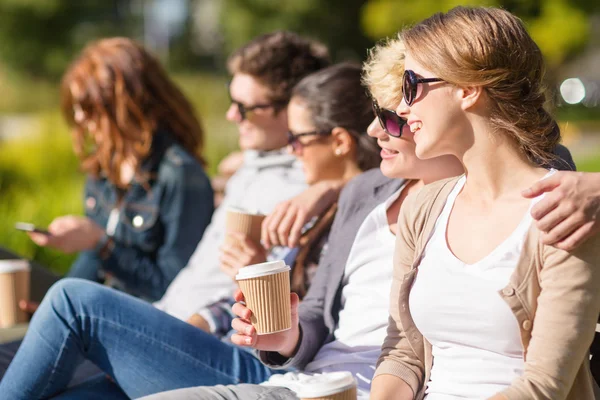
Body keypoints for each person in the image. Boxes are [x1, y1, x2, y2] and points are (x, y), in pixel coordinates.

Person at [0, 61, 382, 399]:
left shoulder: (345, 212)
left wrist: (256, 277)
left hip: (261, 366)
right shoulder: (309, 206)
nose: (290, 149)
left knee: (70, 302)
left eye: (296, 139)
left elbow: (310, 320)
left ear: (339, 143)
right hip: (211, 339)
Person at [368, 7, 600, 400]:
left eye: (411, 85)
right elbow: (403, 354)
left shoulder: (562, 213)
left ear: (468, 88)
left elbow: (543, 387)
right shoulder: (423, 208)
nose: (403, 110)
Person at [153, 31, 332, 322]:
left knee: (73, 300)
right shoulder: (254, 162)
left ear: (293, 110)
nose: (231, 116)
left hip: (201, 332)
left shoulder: (302, 191)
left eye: (245, 108)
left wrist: (329, 187)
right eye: (231, 98)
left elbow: (276, 312)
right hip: (165, 311)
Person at [24, 37, 214, 302]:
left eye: (89, 107)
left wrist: (100, 243)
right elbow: (91, 264)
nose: (80, 118)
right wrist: (51, 307)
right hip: (95, 313)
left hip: (141, 324)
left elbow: (171, 289)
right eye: (77, 108)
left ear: (128, 105)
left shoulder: (180, 175)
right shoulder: (103, 168)